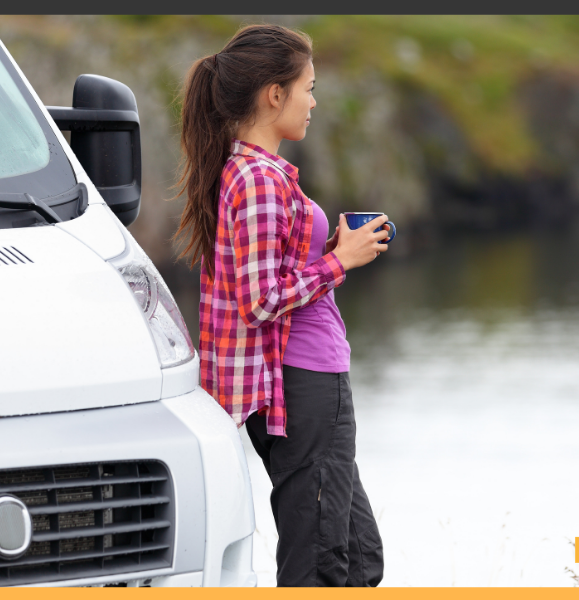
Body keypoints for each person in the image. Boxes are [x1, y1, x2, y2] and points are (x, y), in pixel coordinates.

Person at [173, 24, 386, 587]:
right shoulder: (261, 180)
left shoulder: (247, 173)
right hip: (304, 385)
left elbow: (267, 276)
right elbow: (261, 298)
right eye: (308, 87)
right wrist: (342, 262)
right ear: (274, 94)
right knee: (318, 562)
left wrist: (333, 249)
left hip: (298, 383)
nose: (314, 101)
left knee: (359, 558)